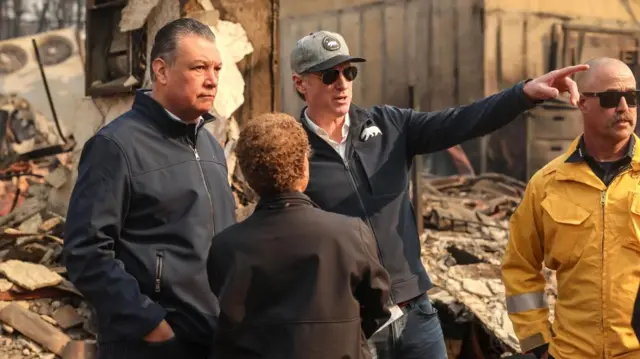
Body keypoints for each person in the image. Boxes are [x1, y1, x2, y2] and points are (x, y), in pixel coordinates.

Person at [289, 29, 589, 358]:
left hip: (415, 312)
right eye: (330, 74)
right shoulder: (293, 150)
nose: (342, 83)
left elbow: (462, 121)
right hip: (350, 322)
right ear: (300, 83)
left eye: (349, 72)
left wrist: (524, 94)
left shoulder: (388, 125)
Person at [62, 18, 236, 359]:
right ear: (161, 70)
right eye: (199, 67)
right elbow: (86, 251)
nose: (212, 79)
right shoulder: (115, 146)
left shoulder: (212, 147)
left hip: (216, 339)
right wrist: (150, 325)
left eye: (217, 68)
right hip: (152, 345)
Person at [207, 112, 392, 359]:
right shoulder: (350, 234)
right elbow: (377, 307)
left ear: (249, 178)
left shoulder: (225, 247)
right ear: (304, 167)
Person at [501, 57, 640, 359]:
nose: (623, 108)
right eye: (610, 98)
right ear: (582, 103)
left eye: (632, 97)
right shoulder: (547, 183)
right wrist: (535, 342)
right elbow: (520, 267)